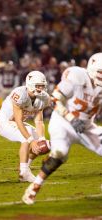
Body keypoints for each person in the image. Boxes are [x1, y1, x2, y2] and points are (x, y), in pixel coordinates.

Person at [22, 52, 102, 204]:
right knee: (60, 154)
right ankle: (34, 187)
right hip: (63, 121)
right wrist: (71, 118)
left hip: (85, 126)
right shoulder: (77, 76)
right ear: (92, 69)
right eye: (101, 72)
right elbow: (55, 100)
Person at [0, 71, 51, 183]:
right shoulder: (20, 94)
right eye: (38, 85)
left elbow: (39, 120)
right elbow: (19, 121)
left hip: (16, 123)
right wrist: (31, 141)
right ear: (30, 84)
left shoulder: (43, 98)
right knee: (27, 138)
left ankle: (25, 167)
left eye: (42, 86)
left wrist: (41, 139)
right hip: (4, 122)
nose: (41, 88)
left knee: (43, 145)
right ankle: (24, 171)